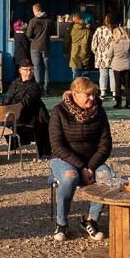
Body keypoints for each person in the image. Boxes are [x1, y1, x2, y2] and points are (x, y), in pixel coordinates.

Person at [49, 77, 112, 242]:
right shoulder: (59, 112)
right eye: (88, 95)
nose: (92, 98)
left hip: (92, 161)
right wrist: (81, 167)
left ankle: (91, 220)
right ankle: (61, 223)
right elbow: (57, 146)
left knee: (107, 176)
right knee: (70, 177)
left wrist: (90, 167)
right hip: (64, 159)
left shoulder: (99, 111)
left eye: (93, 95)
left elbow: (105, 144)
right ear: (75, 95)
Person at [0, 58, 50, 158]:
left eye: (31, 70)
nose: (29, 72)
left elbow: (24, 104)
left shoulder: (35, 87)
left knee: (2, 120)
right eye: (26, 70)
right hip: (11, 114)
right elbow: (6, 99)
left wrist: (5, 110)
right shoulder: (15, 83)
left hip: (26, 117)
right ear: (20, 70)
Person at [26, 4, 55, 93]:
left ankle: (38, 87)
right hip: (46, 46)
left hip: (35, 47)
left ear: (35, 11)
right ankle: (46, 87)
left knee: (37, 67)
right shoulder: (49, 21)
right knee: (46, 67)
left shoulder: (33, 21)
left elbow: (28, 35)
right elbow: (53, 32)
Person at [90, 14, 116, 99]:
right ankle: (114, 93)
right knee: (112, 74)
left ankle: (103, 92)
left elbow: (94, 43)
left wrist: (97, 52)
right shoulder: (115, 30)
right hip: (113, 55)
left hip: (101, 56)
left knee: (103, 74)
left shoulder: (99, 30)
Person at [109, 25, 130, 109]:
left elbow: (109, 54)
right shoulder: (128, 42)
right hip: (127, 64)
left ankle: (118, 102)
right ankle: (128, 102)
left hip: (117, 65)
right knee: (127, 84)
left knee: (117, 85)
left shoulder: (114, 43)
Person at [64, 13, 90, 79]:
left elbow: (66, 41)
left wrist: (65, 52)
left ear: (74, 20)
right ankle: (85, 88)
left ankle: (76, 88)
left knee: (75, 73)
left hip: (74, 54)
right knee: (85, 75)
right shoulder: (87, 30)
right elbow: (90, 41)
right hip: (85, 54)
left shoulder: (71, 29)